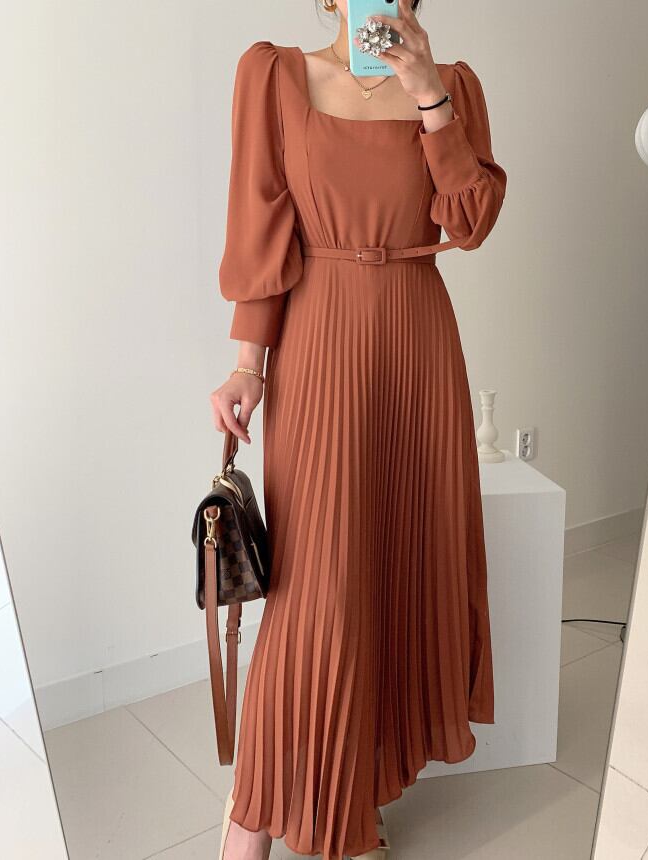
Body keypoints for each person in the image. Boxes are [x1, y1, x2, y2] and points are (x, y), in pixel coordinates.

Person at [210, 1, 506, 857]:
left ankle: (356, 797)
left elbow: (471, 221)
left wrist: (428, 94)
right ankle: (249, 827)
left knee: (394, 567)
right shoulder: (275, 76)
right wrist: (248, 364)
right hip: (319, 343)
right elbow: (261, 223)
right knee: (317, 591)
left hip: (418, 345)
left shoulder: (453, 88)